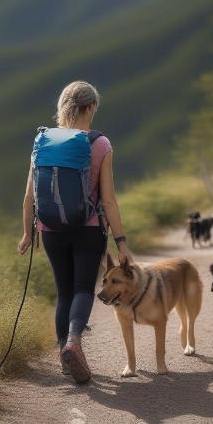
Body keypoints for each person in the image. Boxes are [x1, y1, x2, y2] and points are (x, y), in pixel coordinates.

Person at [17, 81, 133, 383]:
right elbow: (108, 199)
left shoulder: (41, 141)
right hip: (88, 229)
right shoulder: (100, 144)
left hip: (50, 229)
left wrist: (27, 234)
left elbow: (29, 196)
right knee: (83, 289)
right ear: (90, 107)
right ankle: (73, 342)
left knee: (64, 292)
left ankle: (65, 358)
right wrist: (121, 242)